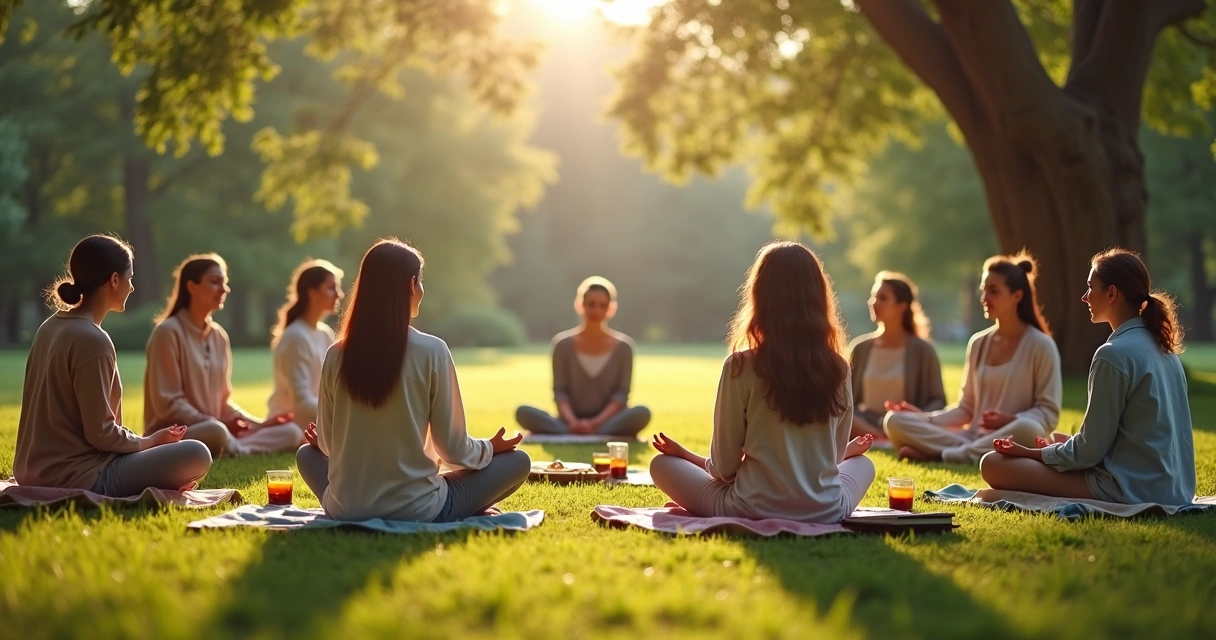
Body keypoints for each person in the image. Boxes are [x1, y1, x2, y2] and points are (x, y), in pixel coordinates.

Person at [295, 238, 530, 522]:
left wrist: (325, 443)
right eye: (419, 281)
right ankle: (466, 505)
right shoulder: (433, 351)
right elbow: (453, 450)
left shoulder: (336, 355)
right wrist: (491, 448)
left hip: (345, 508)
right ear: (411, 285)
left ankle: (364, 502)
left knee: (308, 454)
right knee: (519, 461)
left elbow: (330, 447)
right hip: (418, 509)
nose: (421, 289)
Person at [647, 241, 876, 523]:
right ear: (818, 297)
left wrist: (683, 455)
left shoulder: (740, 366)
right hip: (826, 510)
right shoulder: (839, 367)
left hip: (750, 508)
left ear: (760, 295)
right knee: (863, 465)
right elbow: (835, 455)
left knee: (661, 465)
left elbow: (724, 469)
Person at [980, 249, 1196, 505]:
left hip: (1127, 488)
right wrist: (1065, 445)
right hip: (1173, 488)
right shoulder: (1165, 351)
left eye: (1090, 287)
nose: (1084, 297)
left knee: (992, 464)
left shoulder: (1113, 354)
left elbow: (1088, 453)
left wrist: (1032, 452)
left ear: (1112, 293)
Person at [14, 235, 212, 496]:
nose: (131, 287)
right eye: (129, 278)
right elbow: (101, 434)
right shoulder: (92, 340)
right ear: (114, 280)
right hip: (77, 475)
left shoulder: (49, 326)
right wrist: (151, 441)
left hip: (32, 470)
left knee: (180, 453)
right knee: (197, 453)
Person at [884, 253, 1062, 463]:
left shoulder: (1041, 345)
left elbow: (1048, 413)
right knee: (894, 421)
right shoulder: (978, 343)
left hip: (1012, 437)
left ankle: (943, 455)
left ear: (1017, 296)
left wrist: (1011, 420)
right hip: (972, 436)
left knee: (1029, 428)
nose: (984, 299)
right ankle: (971, 452)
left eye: (993, 291)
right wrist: (925, 417)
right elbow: (966, 408)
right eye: (983, 291)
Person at [144, 254, 300, 457]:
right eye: (215, 282)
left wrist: (258, 424)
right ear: (191, 287)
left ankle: (236, 448)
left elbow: (222, 403)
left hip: (217, 428)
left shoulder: (219, 336)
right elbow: (168, 405)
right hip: (176, 435)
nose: (224, 289)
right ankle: (234, 447)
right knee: (215, 432)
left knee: (292, 431)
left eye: (225, 283)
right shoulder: (167, 332)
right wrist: (215, 421)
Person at [515, 276, 651, 437]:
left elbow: (621, 396)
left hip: (608, 420)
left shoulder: (624, 347)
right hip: (568, 419)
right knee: (523, 411)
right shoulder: (562, 344)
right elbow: (560, 392)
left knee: (642, 412)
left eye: (603, 306)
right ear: (580, 305)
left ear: (611, 308)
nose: (596, 311)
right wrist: (573, 422)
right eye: (591, 305)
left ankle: (581, 432)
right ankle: (578, 431)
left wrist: (595, 423)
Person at [847, 271, 946, 440]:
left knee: (899, 424)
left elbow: (938, 401)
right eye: (873, 297)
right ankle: (880, 437)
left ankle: (889, 436)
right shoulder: (860, 348)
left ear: (902, 306)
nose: (874, 303)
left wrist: (915, 416)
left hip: (906, 421)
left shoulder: (923, 350)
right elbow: (847, 402)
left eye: (883, 298)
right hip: (864, 422)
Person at [266, 259, 344, 431]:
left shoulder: (325, 334)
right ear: (312, 292)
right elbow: (301, 403)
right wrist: (344, 413)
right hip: (289, 424)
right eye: (331, 288)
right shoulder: (296, 337)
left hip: (319, 421)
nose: (339, 295)